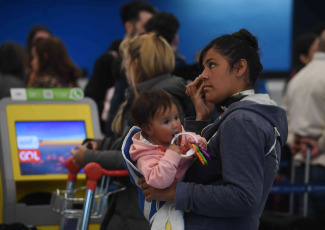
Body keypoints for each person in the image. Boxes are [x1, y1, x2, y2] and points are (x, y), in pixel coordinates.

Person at [138, 28, 288, 230]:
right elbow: (205, 169)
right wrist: (201, 119)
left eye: (212, 65)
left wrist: (176, 192)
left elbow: (243, 197)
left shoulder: (242, 121)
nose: (202, 76)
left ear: (239, 68)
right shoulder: (241, 116)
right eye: (203, 68)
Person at [71, 32, 191, 230]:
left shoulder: (159, 101)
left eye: (126, 61)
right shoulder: (156, 96)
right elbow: (131, 141)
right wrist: (100, 145)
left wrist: (90, 156)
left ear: (136, 64)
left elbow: (135, 155)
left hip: (143, 211)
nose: (124, 68)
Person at [284, 27, 325, 226]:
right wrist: (324, 144)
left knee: (305, 224)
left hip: (300, 165)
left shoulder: (298, 78)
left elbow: (284, 117)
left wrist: (292, 141)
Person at [128, 88, 207, 229]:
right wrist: (172, 154)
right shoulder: (145, 155)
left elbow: (188, 136)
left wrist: (198, 141)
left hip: (186, 195)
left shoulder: (177, 134)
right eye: (166, 121)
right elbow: (159, 181)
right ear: (149, 129)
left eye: (176, 117)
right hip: (164, 206)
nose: (175, 125)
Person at [86, 0, 157, 137]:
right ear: (129, 26)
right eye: (146, 26)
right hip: (111, 140)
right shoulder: (107, 61)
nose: (150, 32)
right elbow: (94, 102)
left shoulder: (153, 61)